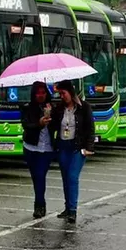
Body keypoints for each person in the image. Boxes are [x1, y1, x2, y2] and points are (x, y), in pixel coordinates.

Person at [51, 80, 95, 223]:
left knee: (72, 177)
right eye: (59, 94)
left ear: (70, 92)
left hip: (77, 147)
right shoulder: (58, 108)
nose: (61, 96)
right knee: (65, 178)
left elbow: (90, 128)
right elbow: (53, 126)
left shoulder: (84, 107)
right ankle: (67, 207)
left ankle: (73, 210)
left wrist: (89, 148)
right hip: (64, 146)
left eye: (63, 93)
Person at [19, 81, 55, 218]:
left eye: (43, 92)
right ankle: (39, 203)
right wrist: (39, 124)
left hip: (46, 149)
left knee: (40, 175)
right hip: (31, 147)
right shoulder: (27, 108)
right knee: (36, 177)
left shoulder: (52, 106)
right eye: (38, 93)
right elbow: (26, 124)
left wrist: (52, 114)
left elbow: (58, 124)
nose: (41, 95)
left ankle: (40, 205)